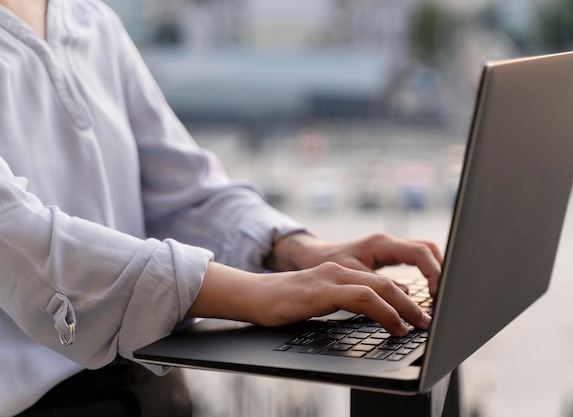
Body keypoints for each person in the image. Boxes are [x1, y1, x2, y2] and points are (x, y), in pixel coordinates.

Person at [0, 0, 443, 416]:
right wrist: (260, 294)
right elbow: (18, 239)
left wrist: (298, 250)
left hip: (151, 378)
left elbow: (186, 190)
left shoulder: (89, 17)